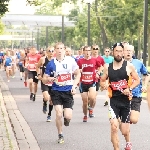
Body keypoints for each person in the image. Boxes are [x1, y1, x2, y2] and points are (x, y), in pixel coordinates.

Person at [100, 42, 140, 150]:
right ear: (113, 52)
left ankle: (128, 141)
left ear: (123, 52)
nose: (118, 53)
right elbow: (102, 80)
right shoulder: (107, 67)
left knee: (124, 131)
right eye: (116, 51)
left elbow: (137, 80)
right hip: (113, 101)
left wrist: (129, 88)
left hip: (126, 102)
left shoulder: (129, 66)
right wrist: (103, 85)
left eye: (120, 51)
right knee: (114, 127)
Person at [42, 42, 80, 144]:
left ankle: (66, 119)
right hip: (56, 91)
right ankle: (60, 134)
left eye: (61, 48)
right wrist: (51, 78)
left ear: (64, 50)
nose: (59, 50)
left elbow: (78, 73)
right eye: (57, 49)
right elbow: (44, 79)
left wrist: (74, 86)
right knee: (58, 114)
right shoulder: (51, 63)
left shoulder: (70, 60)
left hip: (68, 92)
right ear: (55, 50)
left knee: (67, 116)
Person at [123, 44, 149, 124]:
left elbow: (147, 75)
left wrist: (144, 85)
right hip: (122, 94)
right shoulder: (118, 63)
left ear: (133, 52)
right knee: (121, 119)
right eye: (127, 50)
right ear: (123, 52)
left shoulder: (138, 63)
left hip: (136, 94)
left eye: (130, 51)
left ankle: (127, 119)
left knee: (134, 120)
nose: (128, 52)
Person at [77, 46, 102, 122]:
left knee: (92, 97)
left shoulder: (94, 60)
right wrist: (79, 71)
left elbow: (101, 67)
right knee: (85, 102)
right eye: (86, 51)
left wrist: (98, 72)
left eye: (89, 51)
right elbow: (76, 70)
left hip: (92, 82)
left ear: (90, 51)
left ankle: (91, 108)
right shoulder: (80, 61)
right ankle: (85, 115)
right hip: (83, 83)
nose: (87, 52)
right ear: (83, 52)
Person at [36, 46, 54, 122]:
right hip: (45, 81)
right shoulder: (43, 59)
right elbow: (37, 66)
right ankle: (44, 103)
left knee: (52, 100)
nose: (51, 52)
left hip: (53, 82)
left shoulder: (56, 60)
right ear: (47, 52)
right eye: (49, 51)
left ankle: (49, 115)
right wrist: (39, 75)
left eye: (53, 51)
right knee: (46, 97)